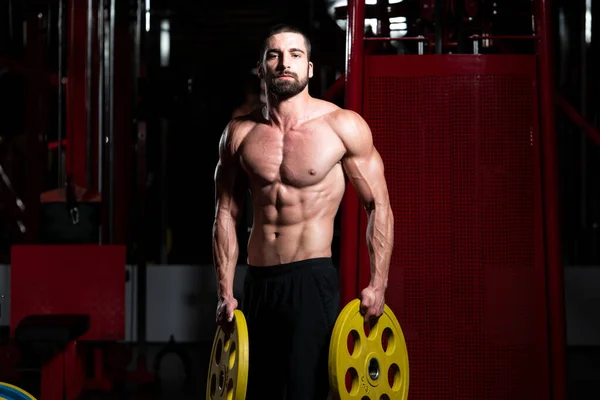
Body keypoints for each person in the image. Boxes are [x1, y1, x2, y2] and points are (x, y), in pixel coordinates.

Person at [212, 23, 394, 400]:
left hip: (310, 281)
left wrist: (378, 284)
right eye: (275, 55)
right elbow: (226, 213)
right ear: (261, 68)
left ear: (309, 68)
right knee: (256, 391)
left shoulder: (342, 127)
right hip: (258, 282)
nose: (285, 63)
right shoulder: (239, 134)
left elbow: (378, 205)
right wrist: (225, 290)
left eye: (296, 55)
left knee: (304, 392)